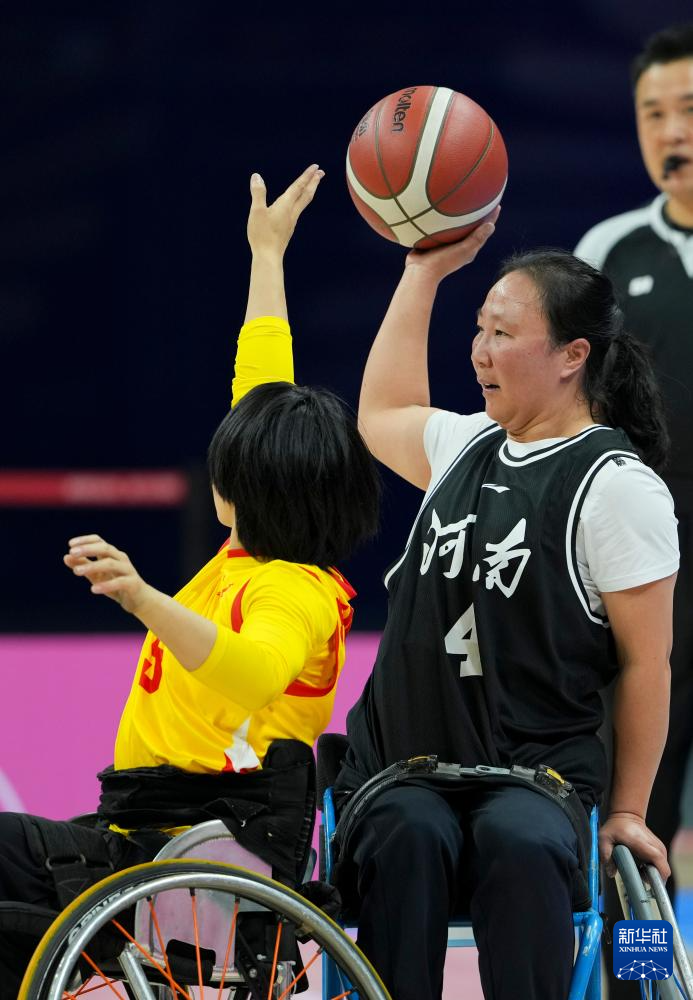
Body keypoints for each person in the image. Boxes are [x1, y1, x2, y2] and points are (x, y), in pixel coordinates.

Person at [0, 165, 380, 998]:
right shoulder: (254, 546)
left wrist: (142, 598)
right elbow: (262, 384)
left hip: (191, 857)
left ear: (253, 489)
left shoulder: (295, 591)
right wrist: (267, 255)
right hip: (137, 834)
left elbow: (253, 671)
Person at [332, 215, 679, 1000]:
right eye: (478, 330)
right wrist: (421, 273)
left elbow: (645, 665)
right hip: (405, 770)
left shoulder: (616, 489)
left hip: (535, 779)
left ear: (571, 356)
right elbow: (380, 413)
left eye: (502, 333)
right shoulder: (464, 444)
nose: (478, 352)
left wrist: (628, 811)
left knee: (519, 844)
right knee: (406, 834)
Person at [574, 23, 693, 993]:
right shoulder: (608, 255)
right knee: (633, 813)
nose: (670, 131)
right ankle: (635, 984)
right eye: (652, 113)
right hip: (653, 584)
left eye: (689, 109)